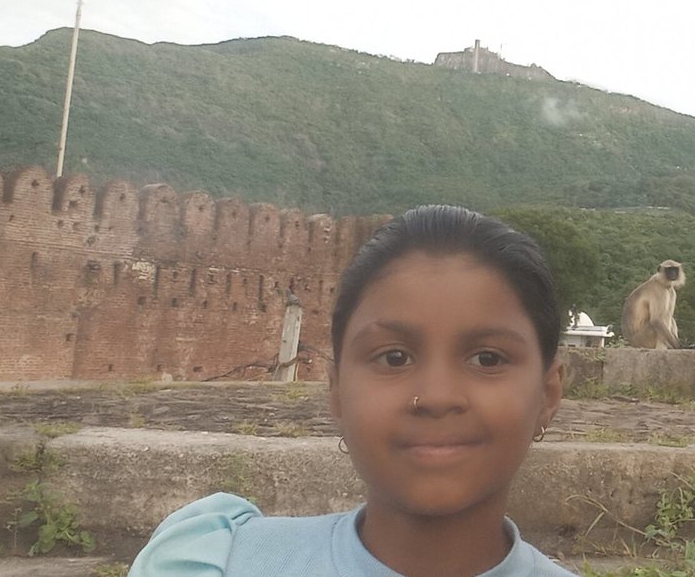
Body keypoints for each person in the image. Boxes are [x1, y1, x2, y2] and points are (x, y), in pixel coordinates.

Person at [129, 205, 574, 576]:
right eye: (394, 357)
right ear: (337, 389)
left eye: (487, 359)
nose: (437, 397)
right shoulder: (221, 562)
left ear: (548, 394)